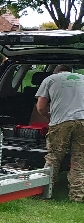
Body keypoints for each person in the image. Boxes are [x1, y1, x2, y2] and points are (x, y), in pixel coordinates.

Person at [36, 64, 84, 201]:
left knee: (54, 157)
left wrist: (49, 116)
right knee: (79, 158)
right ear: (70, 71)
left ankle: (45, 191)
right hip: (82, 121)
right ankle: (77, 195)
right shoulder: (82, 78)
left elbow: (40, 107)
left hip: (61, 122)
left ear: (56, 72)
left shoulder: (50, 79)